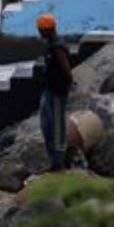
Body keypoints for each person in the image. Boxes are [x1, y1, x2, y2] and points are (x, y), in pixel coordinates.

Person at [36, 13, 74, 171]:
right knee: (46, 124)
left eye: (40, 30)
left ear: (47, 30)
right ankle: (53, 159)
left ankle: (58, 162)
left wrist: (69, 83)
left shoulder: (57, 47)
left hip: (58, 91)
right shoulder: (51, 43)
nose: (39, 33)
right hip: (49, 89)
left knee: (57, 127)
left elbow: (66, 69)